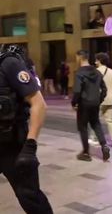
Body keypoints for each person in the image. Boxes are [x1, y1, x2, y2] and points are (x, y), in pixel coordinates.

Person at [0, 44, 53, 213]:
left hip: (13, 146)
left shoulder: (9, 64)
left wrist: (30, 146)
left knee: (30, 197)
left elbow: (39, 104)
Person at [71, 50, 110, 162]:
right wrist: (99, 99)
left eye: (76, 58)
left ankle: (86, 153)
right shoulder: (97, 72)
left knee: (82, 127)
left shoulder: (79, 73)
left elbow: (77, 90)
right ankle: (104, 145)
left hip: (84, 103)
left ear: (80, 58)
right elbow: (104, 89)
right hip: (95, 103)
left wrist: (74, 103)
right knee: (96, 123)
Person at [92, 52, 112, 145]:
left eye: (96, 60)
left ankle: (95, 138)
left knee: (95, 119)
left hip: (99, 99)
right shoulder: (111, 71)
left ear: (99, 60)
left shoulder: (95, 72)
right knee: (110, 120)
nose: (95, 61)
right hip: (111, 99)